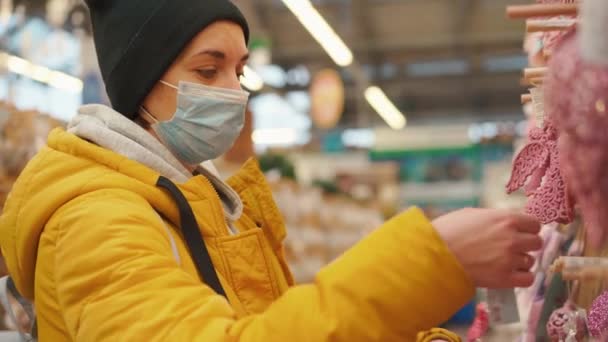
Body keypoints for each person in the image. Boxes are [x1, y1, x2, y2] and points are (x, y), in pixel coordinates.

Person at [0, 1, 542, 340]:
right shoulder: (98, 220)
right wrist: (431, 260)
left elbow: (266, 324)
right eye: (207, 70)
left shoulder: (196, 200)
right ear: (140, 85)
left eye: (239, 70)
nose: (234, 92)